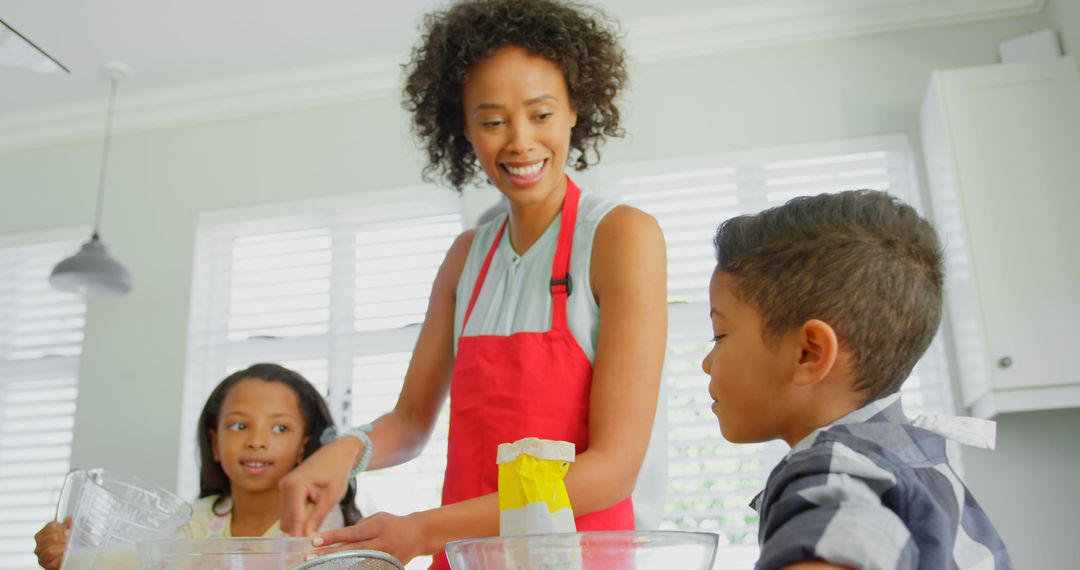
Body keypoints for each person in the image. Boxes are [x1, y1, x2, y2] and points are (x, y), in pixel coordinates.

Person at [279, 0, 667, 567]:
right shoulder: (466, 258)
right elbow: (411, 422)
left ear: (575, 109)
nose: (519, 143)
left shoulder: (621, 237)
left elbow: (612, 470)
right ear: (462, 128)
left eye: (541, 113)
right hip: (469, 555)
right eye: (492, 121)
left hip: (577, 556)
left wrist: (425, 529)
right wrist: (341, 454)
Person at [703, 190, 1012, 569]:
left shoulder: (836, 466)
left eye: (719, 336)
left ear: (808, 353)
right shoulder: (919, 461)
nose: (706, 363)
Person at [33, 363, 357, 570]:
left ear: (305, 445)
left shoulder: (319, 521)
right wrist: (79, 554)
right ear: (214, 443)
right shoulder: (196, 520)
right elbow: (142, 560)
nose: (257, 441)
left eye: (280, 428)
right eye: (239, 426)